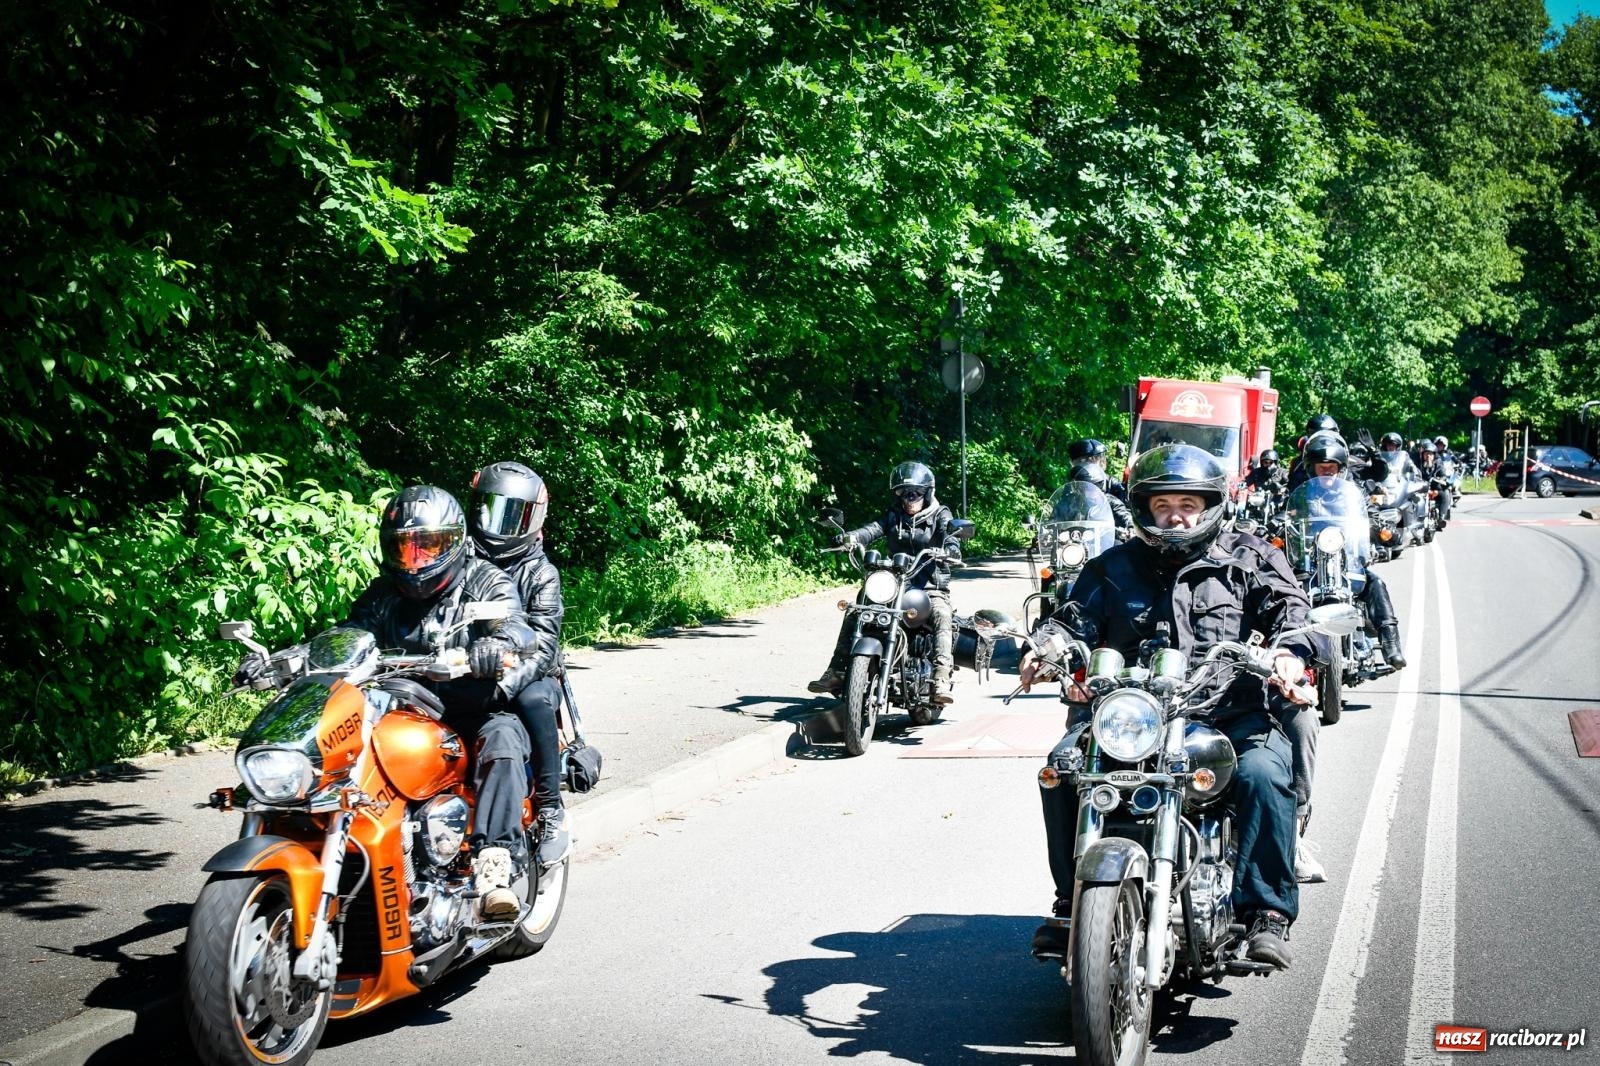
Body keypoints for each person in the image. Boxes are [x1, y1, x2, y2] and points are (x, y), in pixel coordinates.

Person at [1022, 445, 1312, 969]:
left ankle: (1266, 913)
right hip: (1132, 719)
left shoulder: (1249, 557)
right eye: (1162, 505)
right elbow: (1071, 620)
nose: (1175, 516)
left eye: (1187, 504)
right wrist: (1048, 647)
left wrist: (1289, 653)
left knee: (1265, 774)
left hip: (1227, 713)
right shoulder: (1113, 567)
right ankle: (1073, 903)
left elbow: (1292, 611)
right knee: (1062, 768)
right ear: (1143, 509)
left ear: (1210, 506)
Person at [342, 485, 540, 920]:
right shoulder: (383, 594)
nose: (416, 560)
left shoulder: (485, 580)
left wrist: (496, 645)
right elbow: (350, 633)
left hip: (471, 703)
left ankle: (493, 867)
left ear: (453, 541)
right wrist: (301, 656)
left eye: (428, 546)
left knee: (503, 740)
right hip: (401, 705)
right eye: (405, 548)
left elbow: (515, 625)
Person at [468, 461, 572, 868]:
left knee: (533, 700)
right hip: (469, 665)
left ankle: (551, 807)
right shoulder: (460, 559)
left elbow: (543, 646)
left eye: (514, 515)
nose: (500, 525)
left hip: (529, 670)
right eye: (493, 510)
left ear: (535, 519)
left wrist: (504, 685)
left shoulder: (541, 572)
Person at [809, 462, 963, 702]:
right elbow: (872, 529)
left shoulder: (940, 514)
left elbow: (949, 533)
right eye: (903, 492)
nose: (909, 498)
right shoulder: (894, 515)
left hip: (929, 587)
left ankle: (941, 677)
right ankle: (837, 671)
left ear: (927, 492)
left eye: (915, 493)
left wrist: (951, 548)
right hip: (895, 583)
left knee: (942, 614)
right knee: (857, 608)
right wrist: (851, 537)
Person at [1067, 460, 1133, 536]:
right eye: (1090, 487)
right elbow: (1057, 518)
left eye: (1099, 485)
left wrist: (1130, 526)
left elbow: (1124, 514)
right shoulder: (1071, 503)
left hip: (1106, 541)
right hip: (1076, 541)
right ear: (1080, 489)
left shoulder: (1109, 501)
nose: (1095, 490)